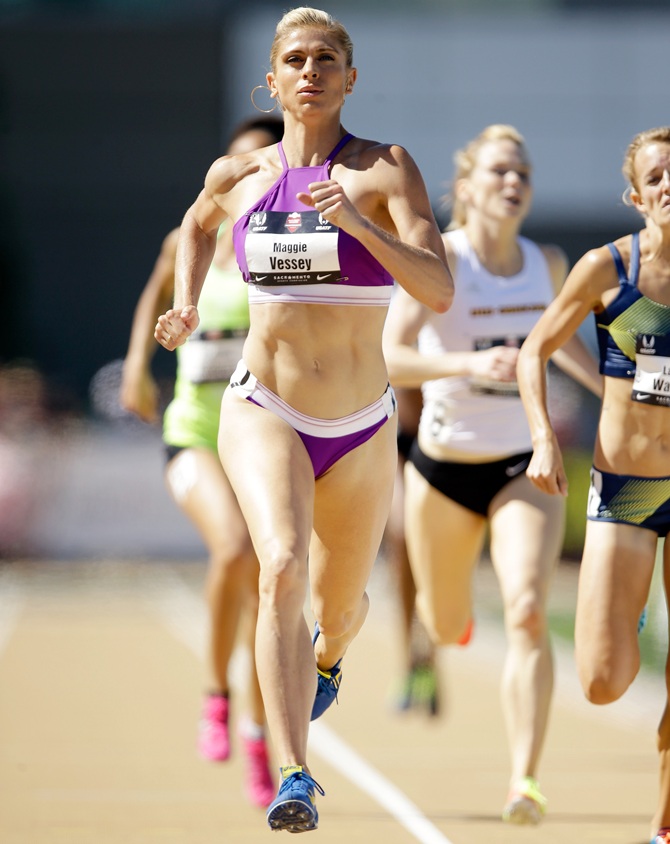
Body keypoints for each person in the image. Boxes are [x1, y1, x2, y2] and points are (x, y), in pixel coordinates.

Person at [154, 7, 453, 833]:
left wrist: (357, 224)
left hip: (360, 421)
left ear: (350, 79)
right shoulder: (239, 174)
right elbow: (195, 225)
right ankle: (294, 773)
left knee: (341, 605)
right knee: (278, 565)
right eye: (296, 58)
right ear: (273, 80)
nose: (311, 70)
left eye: (328, 58)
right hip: (265, 407)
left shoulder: (386, 169)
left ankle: (327, 659)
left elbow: (437, 287)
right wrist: (184, 304)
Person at [382, 124, 602, 825]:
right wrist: (468, 365)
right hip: (442, 468)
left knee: (530, 610)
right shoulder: (439, 259)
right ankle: (433, 639)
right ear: (467, 187)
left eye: (524, 173)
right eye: (500, 172)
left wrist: (619, 397)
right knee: (446, 625)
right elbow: (391, 358)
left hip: (521, 466)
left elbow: (564, 347)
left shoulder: (548, 262)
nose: (514, 183)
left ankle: (524, 780)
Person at [120, 115, 285, 810]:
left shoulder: (284, 249)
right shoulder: (188, 240)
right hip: (192, 429)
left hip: (261, 435)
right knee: (233, 551)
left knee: (267, 593)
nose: (250, 177)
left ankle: (256, 735)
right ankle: (215, 694)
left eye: (264, 167)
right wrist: (137, 364)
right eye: (239, 166)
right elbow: (155, 293)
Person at [516, 126, 670, 844]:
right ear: (635, 196)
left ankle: (665, 822)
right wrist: (545, 436)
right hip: (628, 491)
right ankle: (627, 611)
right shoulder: (608, 268)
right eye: (658, 176)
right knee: (604, 681)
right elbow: (534, 351)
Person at [382, 385, 443, 717]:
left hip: (445, 442)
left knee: (437, 558)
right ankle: (407, 660)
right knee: (403, 539)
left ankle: (431, 662)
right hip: (398, 440)